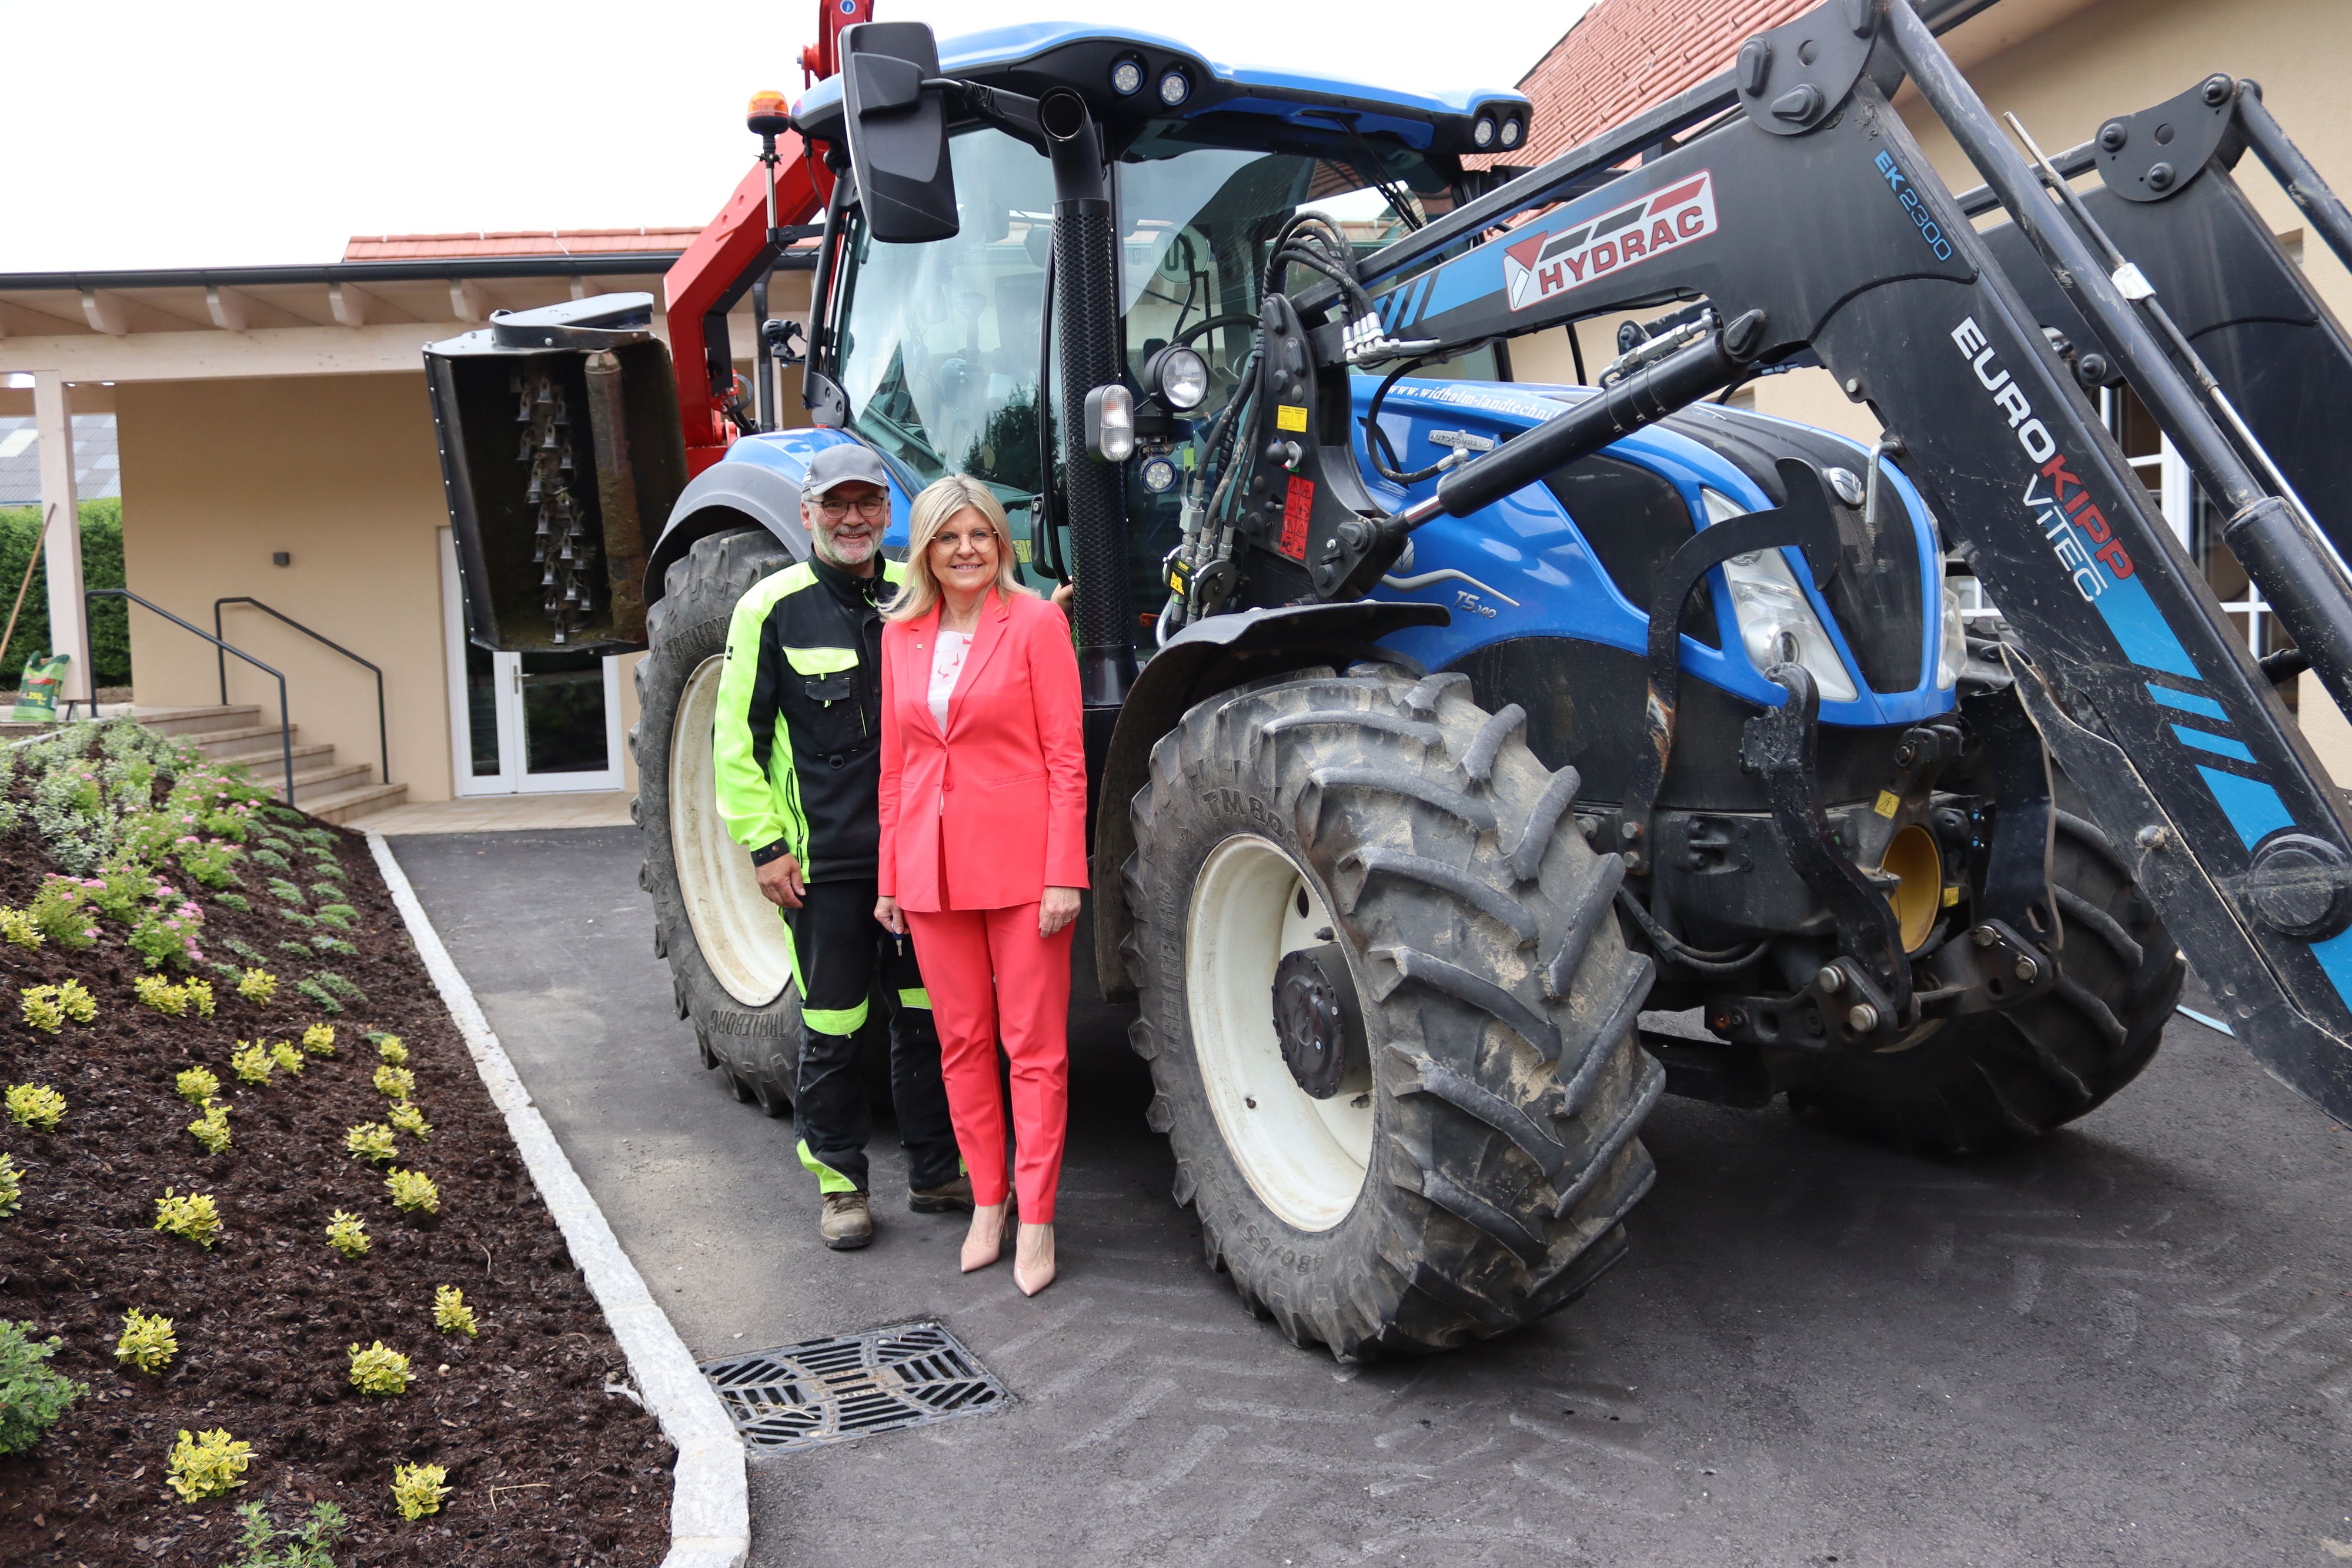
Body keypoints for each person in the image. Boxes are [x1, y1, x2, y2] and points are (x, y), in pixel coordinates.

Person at [711, 443, 968, 1251]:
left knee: (928, 1019)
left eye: (866, 504)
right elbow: (736, 745)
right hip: (824, 866)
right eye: (836, 504)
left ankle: (936, 1172)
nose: (852, 519)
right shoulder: (770, 608)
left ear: (888, 513)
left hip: (915, 860)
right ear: (809, 513)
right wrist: (765, 848)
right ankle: (840, 1186)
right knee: (832, 1026)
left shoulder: (916, 599)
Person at [874, 474, 1087, 1297]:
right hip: (931, 872)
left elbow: (1067, 760)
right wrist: (892, 876)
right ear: (925, 550)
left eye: (980, 535)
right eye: (948, 537)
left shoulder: (1035, 623)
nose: (966, 550)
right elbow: (897, 769)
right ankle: (988, 1205)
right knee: (960, 1045)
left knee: (1033, 1050)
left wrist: (1064, 872)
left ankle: (1038, 1218)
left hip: (1026, 871)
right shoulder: (901, 635)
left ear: (1001, 543)